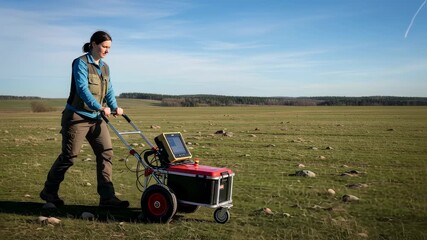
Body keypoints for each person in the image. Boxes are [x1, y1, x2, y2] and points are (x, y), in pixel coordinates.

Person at [40, 31, 129, 208]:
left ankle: (107, 198)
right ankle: (49, 191)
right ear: (94, 44)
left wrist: (114, 107)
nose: (107, 50)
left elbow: (109, 90)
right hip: (77, 117)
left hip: (97, 118)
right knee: (69, 156)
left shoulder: (105, 67)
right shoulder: (80, 63)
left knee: (106, 153)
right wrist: (99, 107)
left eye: (109, 48)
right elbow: (82, 89)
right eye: (104, 46)